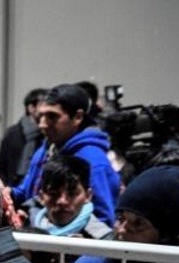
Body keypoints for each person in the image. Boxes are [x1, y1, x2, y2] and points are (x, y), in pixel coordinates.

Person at [11, 84, 120, 224]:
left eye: (52, 116)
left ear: (78, 117)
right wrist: (5, 193)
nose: (42, 124)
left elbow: (103, 220)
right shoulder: (46, 148)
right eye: (41, 117)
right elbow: (27, 191)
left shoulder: (93, 161)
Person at [27, 155, 113, 238]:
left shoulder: (103, 242)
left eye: (72, 194)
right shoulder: (23, 229)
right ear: (41, 197)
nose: (62, 201)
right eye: (54, 194)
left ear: (88, 196)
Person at [0, 88, 47, 184]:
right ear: (31, 108)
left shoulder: (47, 134)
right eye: (42, 104)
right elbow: (2, 165)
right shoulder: (13, 133)